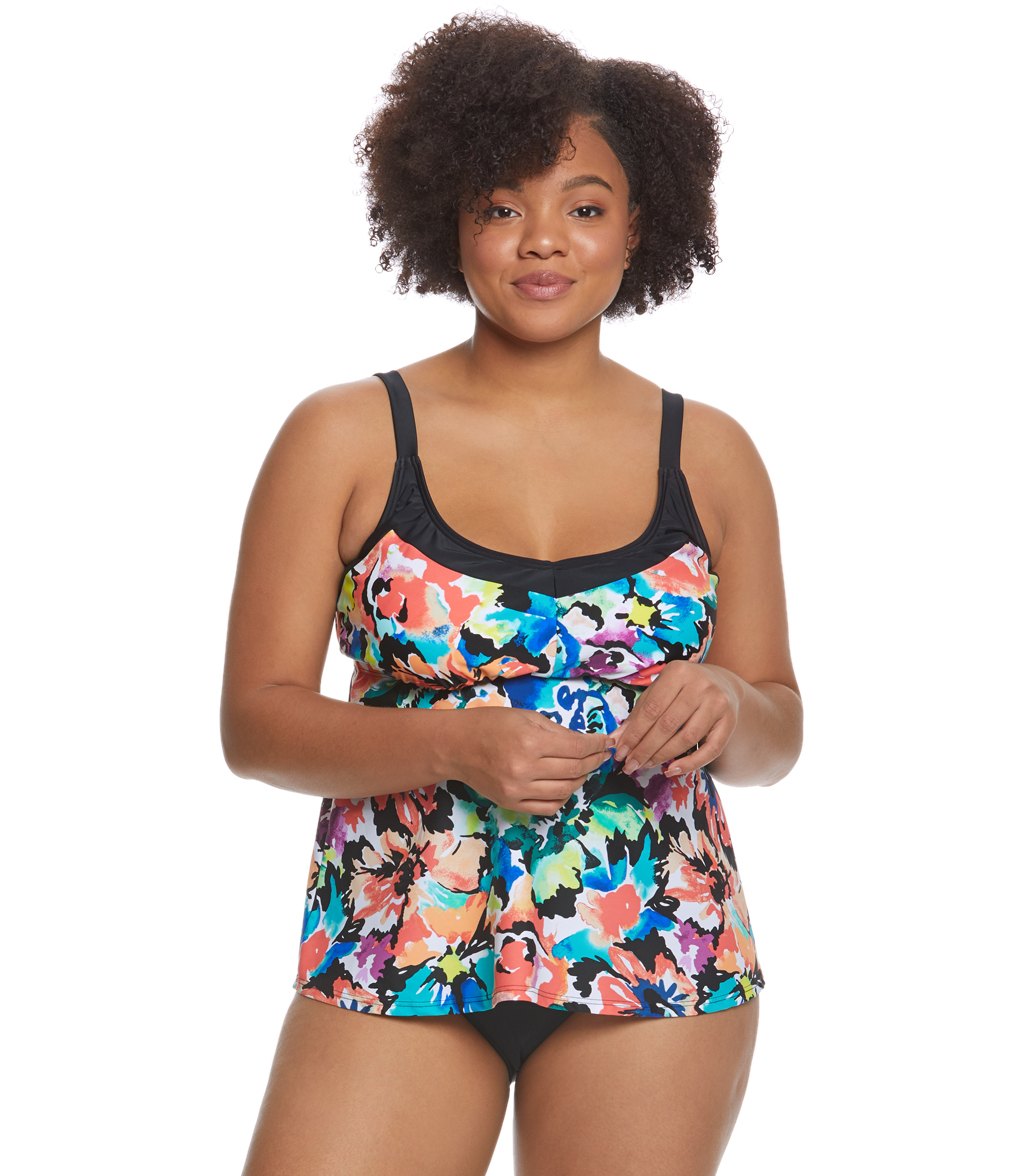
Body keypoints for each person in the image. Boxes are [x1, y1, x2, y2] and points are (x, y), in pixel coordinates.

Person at [221, 12, 802, 1175]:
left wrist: (730, 706)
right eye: (502, 206)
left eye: (585, 208)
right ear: (449, 218)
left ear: (640, 225)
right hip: (398, 942)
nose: (543, 241)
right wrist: (452, 745)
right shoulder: (344, 436)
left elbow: (778, 730)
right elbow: (255, 724)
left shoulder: (713, 454)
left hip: (658, 948)